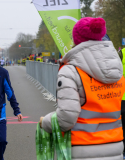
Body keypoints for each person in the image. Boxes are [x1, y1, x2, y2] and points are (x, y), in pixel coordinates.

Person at [39, 17, 125, 160]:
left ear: (77, 40)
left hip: (83, 148)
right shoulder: (117, 69)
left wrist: (45, 122)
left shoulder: (70, 71)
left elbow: (66, 118)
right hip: (115, 146)